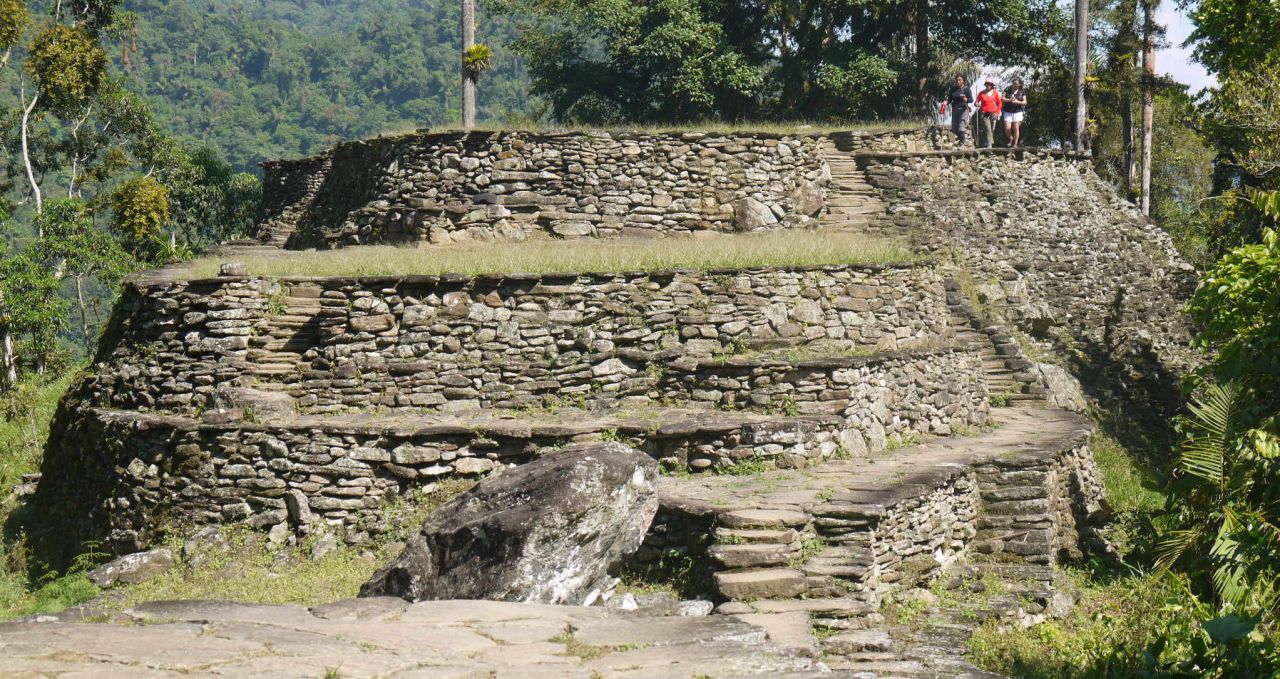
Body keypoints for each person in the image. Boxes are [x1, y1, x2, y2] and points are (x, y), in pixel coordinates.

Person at [941, 76, 973, 146]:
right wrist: (946, 102)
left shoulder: (966, 89)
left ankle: (962, 142)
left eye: (959, 80)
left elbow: (971, 99)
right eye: (957, 80)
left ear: (963, 81)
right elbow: (950, 99)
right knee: (954, 129)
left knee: (961, 127)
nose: (958, 81)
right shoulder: (953, 89)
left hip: (963, 109)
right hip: (955, 109)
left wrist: (967, 99)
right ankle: (962, 139)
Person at [974, 79, 1003, 148]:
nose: (988, 85)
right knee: (988, 127)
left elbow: (999, 103)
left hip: (994, 112)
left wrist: (998, 112)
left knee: (992, 128)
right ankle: (990, 143)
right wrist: (977, 104)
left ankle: (988, 142)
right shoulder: (981, 93)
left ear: (992, 85)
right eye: (987, 84)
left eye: (989, 84)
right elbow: (976, 102)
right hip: (985, 112)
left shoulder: (995, 93)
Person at [1002, 78, 1027, 147]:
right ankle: (1011, 138)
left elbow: (1025, 102)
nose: (1014, 85)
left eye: (1016, 84)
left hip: (1017, 111)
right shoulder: (1007, 89)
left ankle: (1015, 143)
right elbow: (1002, 99)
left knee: (1016, 127)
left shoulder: (1022, 91)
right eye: (1013, 83)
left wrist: (1017, 102)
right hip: (1008, 111)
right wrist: (1009, 100)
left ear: (1019, 84)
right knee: (1007, 128)